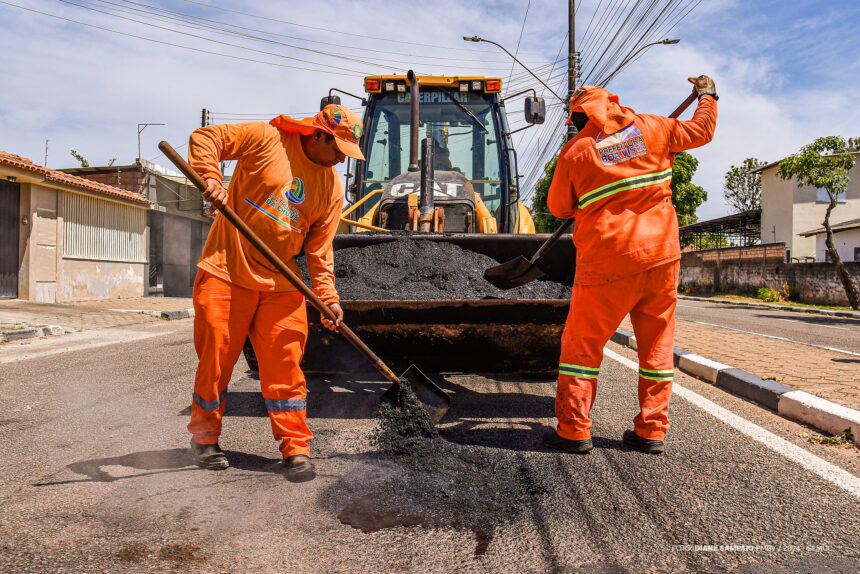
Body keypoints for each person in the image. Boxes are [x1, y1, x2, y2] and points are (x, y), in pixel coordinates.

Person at [186, 104, 365, 481]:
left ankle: (296, 448)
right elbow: (206, 138)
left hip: (281, 281)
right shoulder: (267, 139)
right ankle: (204, 439)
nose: (339, 161)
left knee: (286, 367)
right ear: (318, 135)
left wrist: (328, 298)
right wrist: (212, 180)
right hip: (227, 270)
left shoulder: (331, 188)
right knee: (216, 359)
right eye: (337, 150)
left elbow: (319, 251)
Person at [542, 76, 718, 455]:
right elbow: (703, 130)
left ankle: (574, 430)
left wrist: (586, 193)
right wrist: (707, 95)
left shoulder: (576, 152)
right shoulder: (655, 128)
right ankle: (651, 431)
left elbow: (557, 208)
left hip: (606, 262)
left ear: (579, 116)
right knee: (657, 349)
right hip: (661, 259)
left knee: (582, 350)